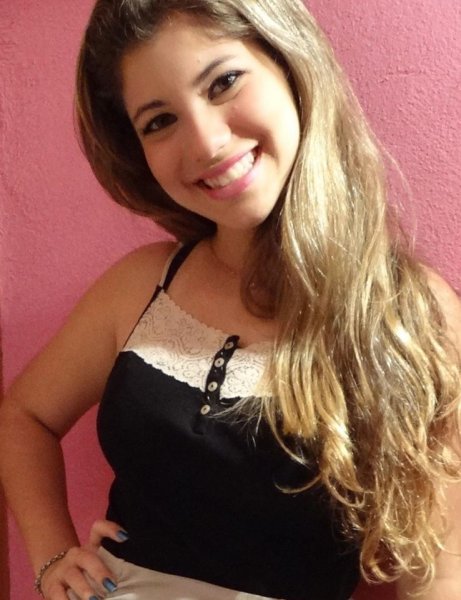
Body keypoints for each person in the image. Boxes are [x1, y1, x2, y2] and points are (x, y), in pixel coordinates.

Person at [0, 1, 460, 599]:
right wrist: (51, 556)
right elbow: (23, 416)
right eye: (159, 121)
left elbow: (440, 572)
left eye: (223, 82)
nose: (206, 143)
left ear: (290, 64)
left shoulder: (414, 316)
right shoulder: (140, 285)